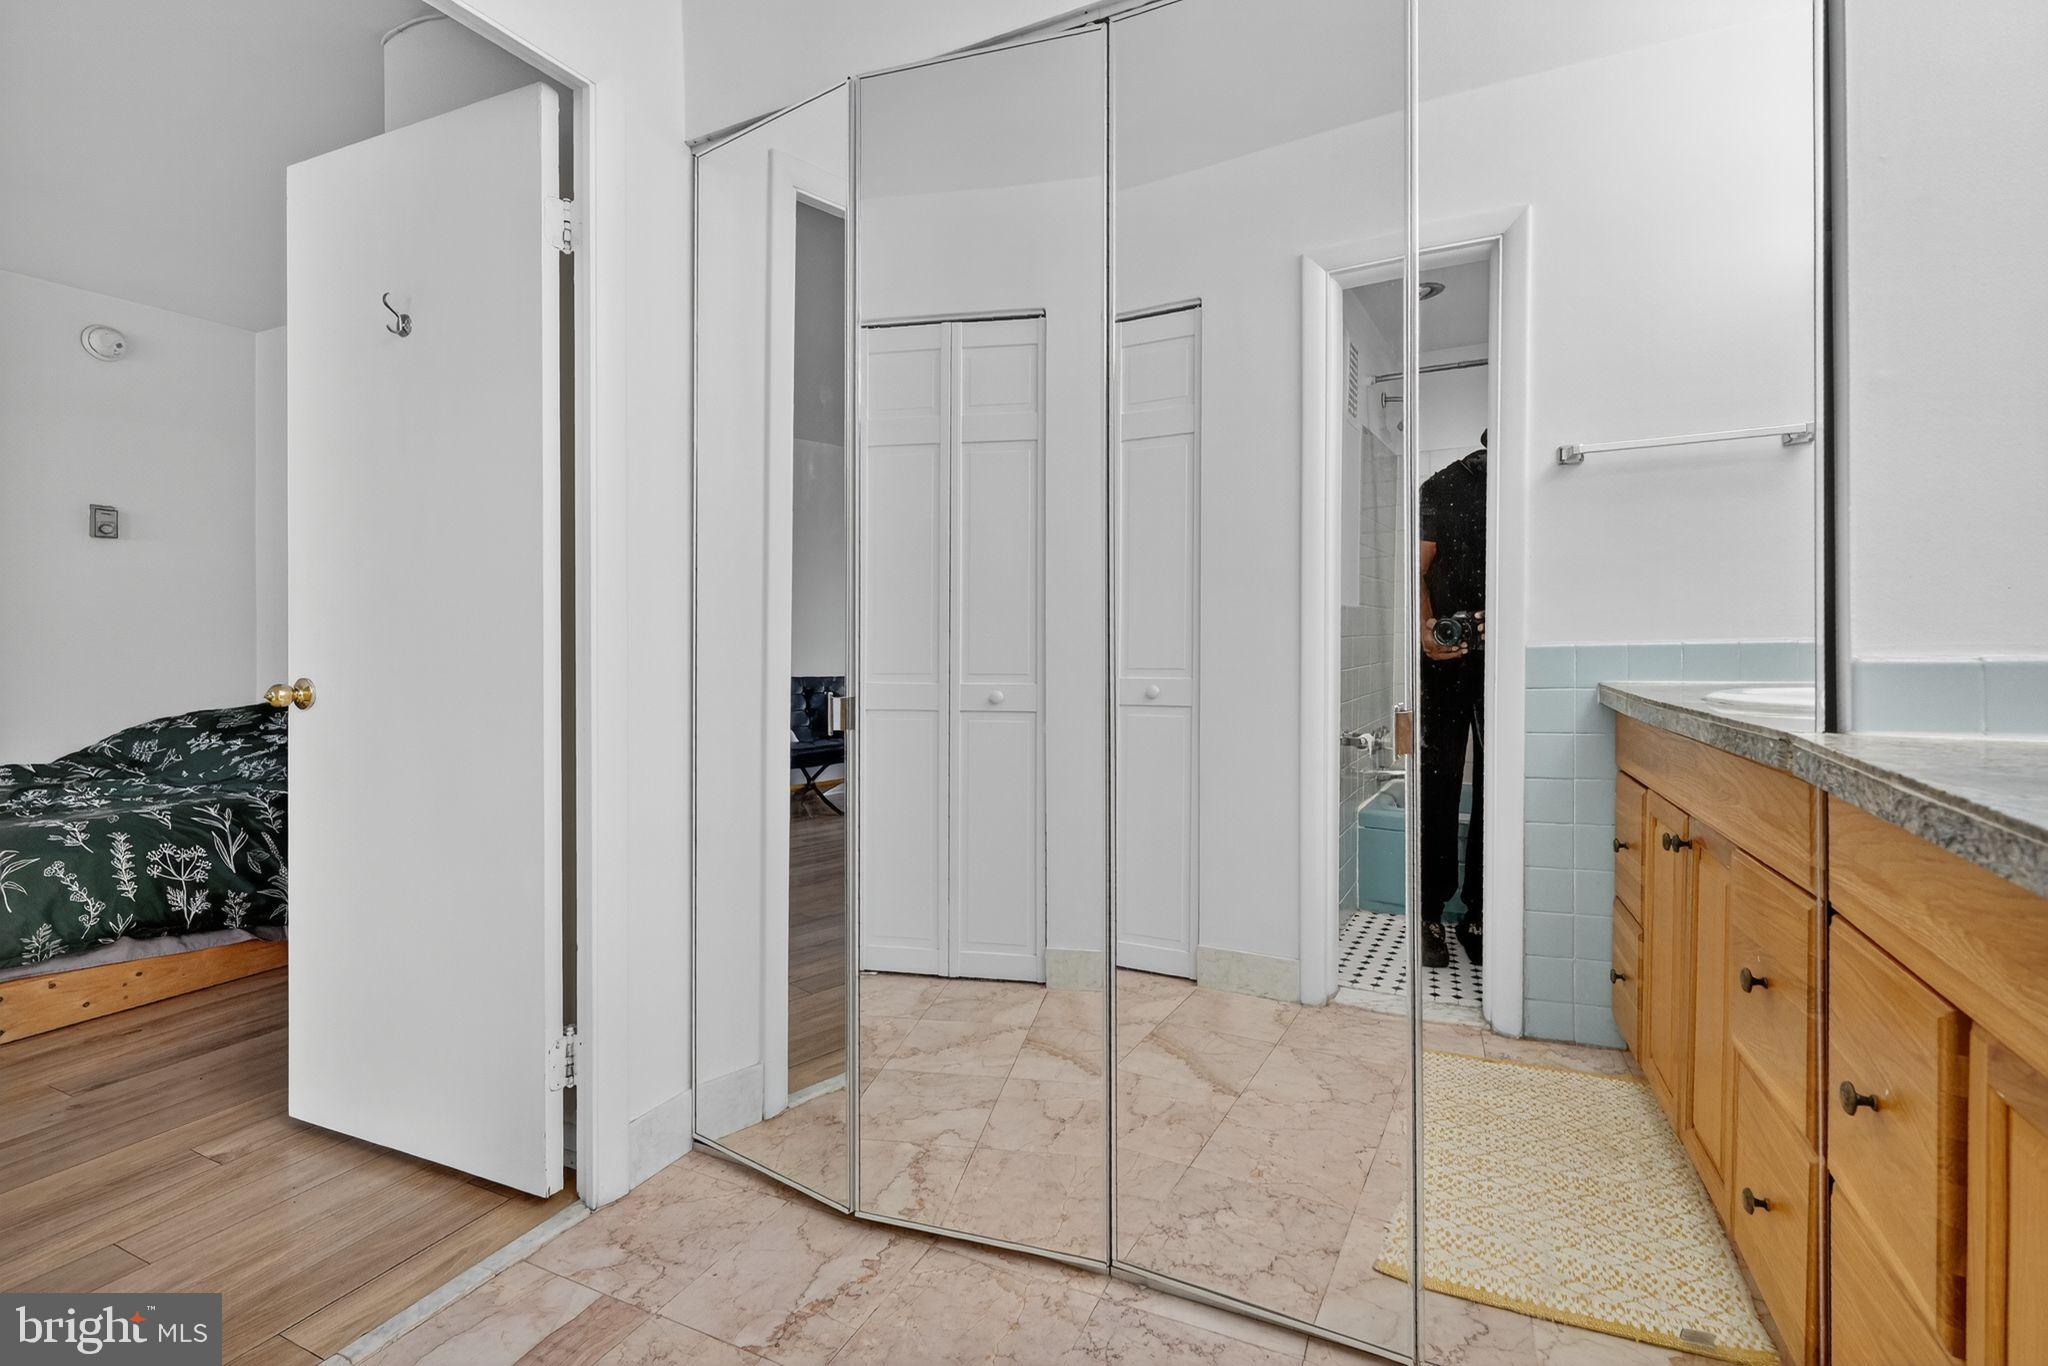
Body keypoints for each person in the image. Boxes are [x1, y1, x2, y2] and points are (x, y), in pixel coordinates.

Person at [1417, 430, 1486, 970]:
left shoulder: (1525, 492)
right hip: (1443, 658)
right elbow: (1415, 569)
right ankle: (1431, 913)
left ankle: (1479, 914)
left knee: (1496, 785)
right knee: (1440, 779)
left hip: (1503, 660)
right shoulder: (1442, 487)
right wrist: (1423, 627)